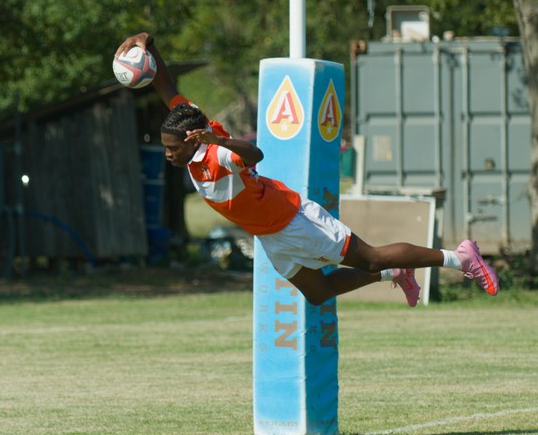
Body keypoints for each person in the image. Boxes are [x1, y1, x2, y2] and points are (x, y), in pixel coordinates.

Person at [114, 32, 500, 307]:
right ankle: (395, 275)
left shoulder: (218, 155)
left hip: (293, 219)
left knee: (373, 257)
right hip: (269, 234)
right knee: (317, 293)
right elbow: (165, 87)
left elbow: (255, 154)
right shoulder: (187, 121)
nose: (167, 154)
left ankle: (460, 257)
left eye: (171, 148)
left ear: (193, 141)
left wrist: (221, 143)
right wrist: (148, 42)